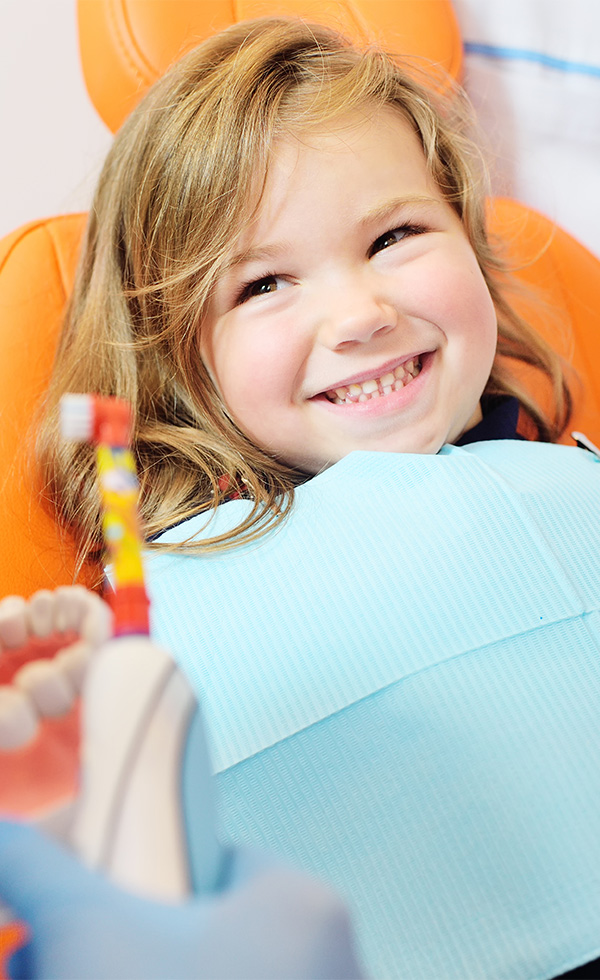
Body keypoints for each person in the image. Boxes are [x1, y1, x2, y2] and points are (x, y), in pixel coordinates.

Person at [31, 16, 600, 980]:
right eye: (263, 285)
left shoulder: (563, 468)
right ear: (176, 359)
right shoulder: (175, 593)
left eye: (395, 235)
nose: (362, 314)